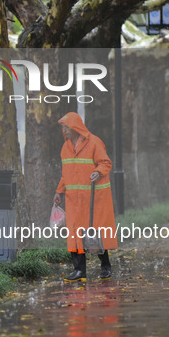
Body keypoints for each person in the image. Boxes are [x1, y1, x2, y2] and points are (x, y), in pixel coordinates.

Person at [53, 112, 117, 282]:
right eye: (63, 128)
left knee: (96, 234)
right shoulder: (65, 148)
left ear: (75, 128)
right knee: (75, 235)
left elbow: (106, 163)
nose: (64, 130)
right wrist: (59, 192)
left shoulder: (94, 143)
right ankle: (79, 270)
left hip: (93, 199)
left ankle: (105, 266)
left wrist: (98, 172)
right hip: (74, 200)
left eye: (67, 127)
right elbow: (65, 174)